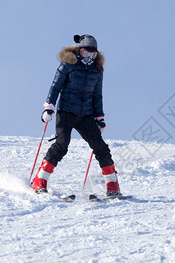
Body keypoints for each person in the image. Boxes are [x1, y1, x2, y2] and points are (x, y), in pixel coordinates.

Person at [31, 34, 121, 198]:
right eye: (86, 54)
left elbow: (97, 95)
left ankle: (113, 185)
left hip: (86, 116)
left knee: (100, 147)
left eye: (93, 54)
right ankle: (40, 180)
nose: (89, 58)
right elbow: (55, 86)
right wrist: (49, 107)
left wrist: (99, 118)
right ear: (80, 51)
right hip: (66, 112)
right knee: (62, 145)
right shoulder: (68, 64)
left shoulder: (97, 69)